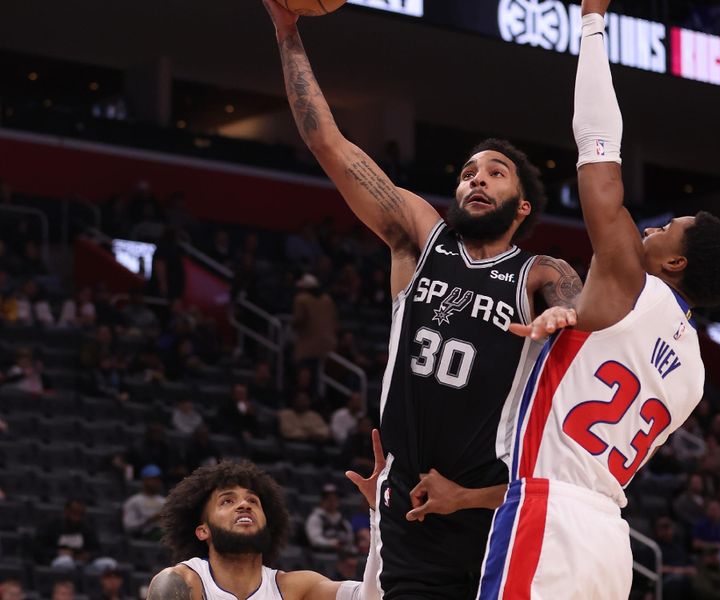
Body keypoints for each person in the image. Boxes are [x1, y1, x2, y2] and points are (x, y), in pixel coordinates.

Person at [261, 2, 582, 596]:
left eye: (495, 173)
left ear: (524, 206)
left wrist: (567, 314)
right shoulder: (420, 239)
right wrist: (288, 33)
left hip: (492, 504)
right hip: (408, 498)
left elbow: (576, 306)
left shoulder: (539, 272)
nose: (476, 179)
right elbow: (327, 141)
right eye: (467, 173)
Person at [470, 0, 720, 597]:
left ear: (676, 263)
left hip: (546, 519)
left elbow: (598, 156)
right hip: (606, 543)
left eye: (667, 228)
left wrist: (592, 26)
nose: (650, 228)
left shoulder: (632, 284)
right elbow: (580, 451)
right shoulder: (694, 375)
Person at [146, 459, 382, 600]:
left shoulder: (295, 588)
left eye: (253, 501)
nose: (244, 504)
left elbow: (372, 597)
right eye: (227, 501)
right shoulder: (182, 581)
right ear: (203, 530)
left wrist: (378, 512)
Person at [123, 464, 167, 540]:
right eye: (153, 479)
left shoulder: (164, 501)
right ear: (145, 480)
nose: (157, 482)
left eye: (159, 479)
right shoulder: (134, 501)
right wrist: (149, 520)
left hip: (164, 537)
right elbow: (128, 526)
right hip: (143, 537)